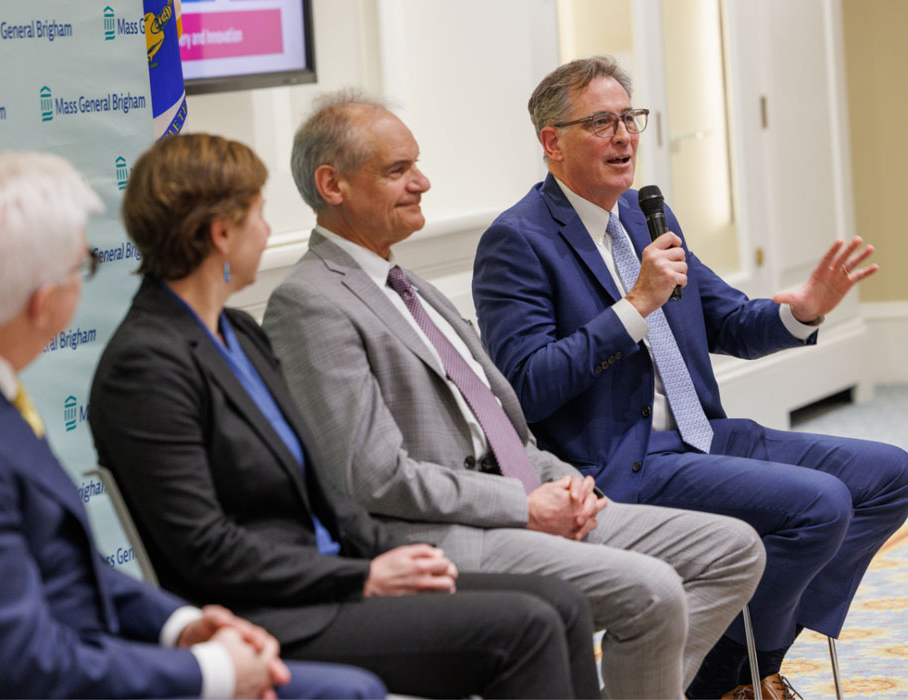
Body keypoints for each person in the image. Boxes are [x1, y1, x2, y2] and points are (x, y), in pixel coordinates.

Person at [260, 89, 767, 700]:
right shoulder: (310, 302)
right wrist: (522, 506)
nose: (422, 182)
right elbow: (372, 478)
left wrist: (558, 480)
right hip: (439, 531)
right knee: (652, 589)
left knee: (733, 548)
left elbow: (503, 422)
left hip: (527, 496)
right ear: (332, 185)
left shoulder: (408, 282)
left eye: (416, 164)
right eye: (398, 170)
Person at [0, 151, 385, 700]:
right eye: (85, 265)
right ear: (44, 302)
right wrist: (211, 674)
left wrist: (182, 626)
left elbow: (68, 569)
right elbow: (27, 670)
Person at [88, 132, 601, 700]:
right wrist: (365, 576)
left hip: (334, 582)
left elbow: (323, 491)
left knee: (562, 602)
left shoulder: (238, 332)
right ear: (221, 233)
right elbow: (205, 549)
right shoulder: (145, 366)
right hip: (268, 613)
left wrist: (387, 554)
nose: (267, 230)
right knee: (525, 630)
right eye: (259, 213)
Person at [470, 56, 908, 699]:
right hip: (620, 461)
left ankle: (743, 666)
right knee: (819, 505)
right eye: (601, 122)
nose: (624, 136)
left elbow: (726, 319)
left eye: (630, 118)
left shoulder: (649, 215)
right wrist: (634, 308)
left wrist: (800, 312)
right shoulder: (518, 240)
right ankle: (731, 680)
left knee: (889, 474)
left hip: (705, 433)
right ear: (551, 142)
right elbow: (528, 385)